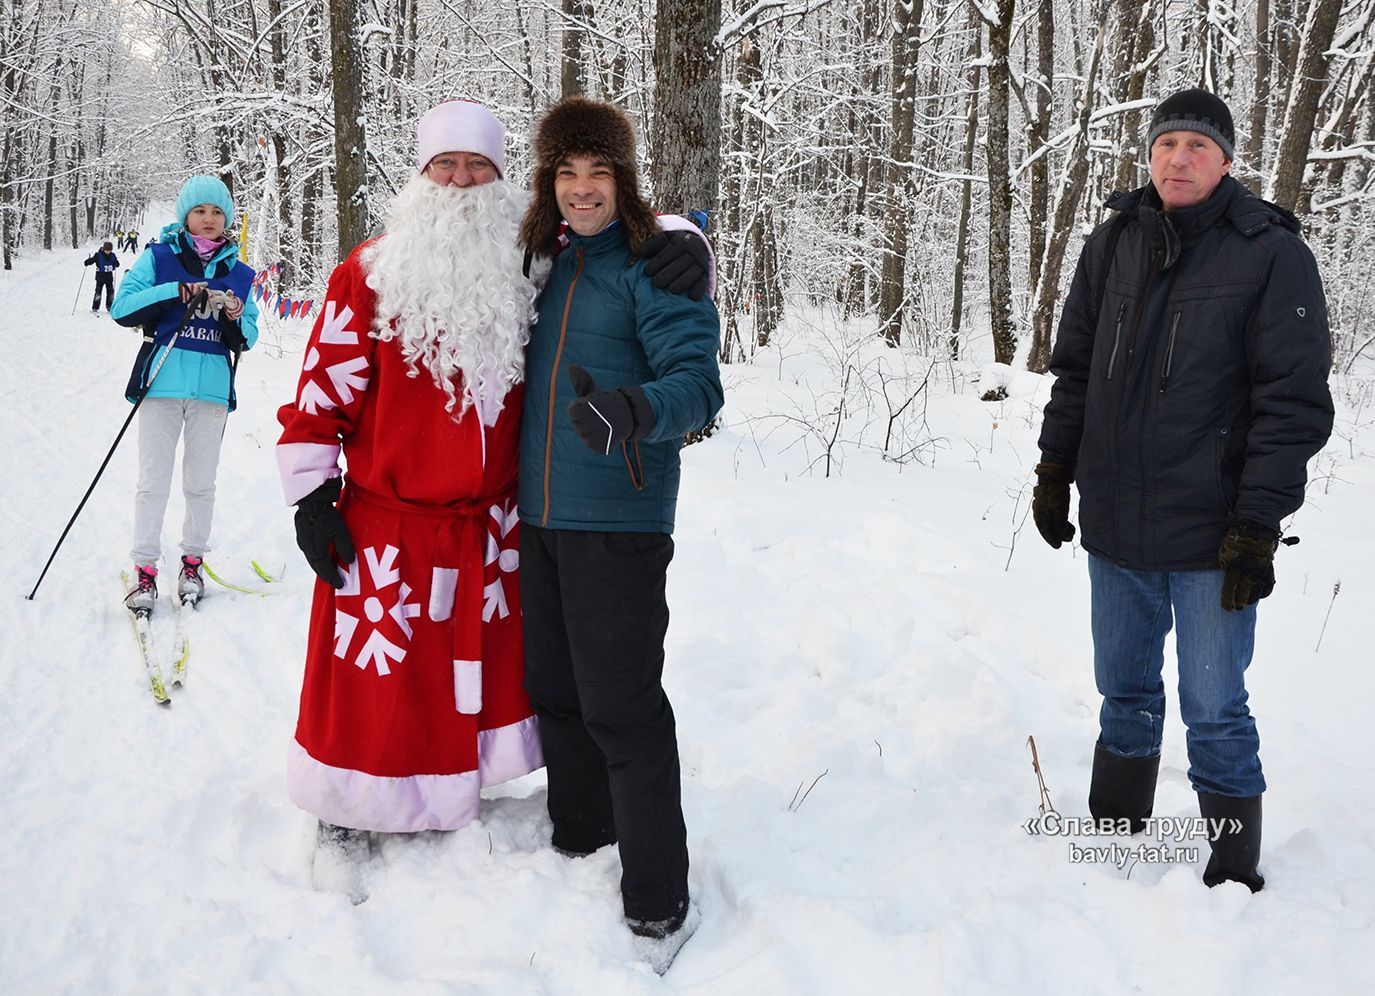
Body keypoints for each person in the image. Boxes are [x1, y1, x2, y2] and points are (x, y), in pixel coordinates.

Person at [273, 100, 713, 900]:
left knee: (478, 674)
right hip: (388, 519)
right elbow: (325, 382)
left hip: (497, 524)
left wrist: (691, 239)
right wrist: (312, 494)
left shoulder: (533, 261)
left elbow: (619, 232)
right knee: (376, 676)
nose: (461, 178)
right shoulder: (368, 271)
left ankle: (460, 794)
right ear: (419, 174)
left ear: (506, 178)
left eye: (478, 165)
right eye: (445, 163)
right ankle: (345, 809)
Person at [1033, 88, 1334, 892]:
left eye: (1197, 146)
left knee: (1213, 707)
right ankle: (1112, 841)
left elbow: (1292, 401)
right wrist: (1054, 470)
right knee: (1122, 690)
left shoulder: (1269, 253)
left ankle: (1231, 874)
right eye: (1166, 144)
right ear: (1149, 154)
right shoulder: (1113, 242)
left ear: (1227, 161)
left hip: (1211, 535)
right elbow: (1074, 372)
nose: (1178, 159)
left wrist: (1256, 525)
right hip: (1115, 520)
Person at [516, 96, 723, 972]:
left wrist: (638, 409)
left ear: (624, 181)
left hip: (620, 520)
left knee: (622, 706)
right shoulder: (545, 266)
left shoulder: (654, 267)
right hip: (541, 517)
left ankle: (656, 894)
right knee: (556, 689)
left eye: (598, 171)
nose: (582, 188)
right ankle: (579, 833)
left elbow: (699, 386)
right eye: (566, 172)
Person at [111, 176, 259, 609]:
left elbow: (248, 335)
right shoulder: (158, 256)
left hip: (211, 391)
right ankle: (145, 571)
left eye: (217, 212)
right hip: (161, 384)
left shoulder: (239, 272)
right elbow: (122, 307)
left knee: (200, 484)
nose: (209, 219)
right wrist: (175, 292)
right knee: (152, 483)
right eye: (200, 211)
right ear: (186, 216)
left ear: (226, 218)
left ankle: (192, 563)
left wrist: (233, 313)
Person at [84, 241, 120, 313]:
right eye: (107, 250)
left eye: (109, 250)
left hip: (109, 277)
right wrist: (87, 261)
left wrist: (116, 263)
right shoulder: (98, 255)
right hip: (100, 277)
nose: (108, 252)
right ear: (104, 249)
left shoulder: (113, 255)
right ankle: (95, 307)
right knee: (98, 292)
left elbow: (117, 264)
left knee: (110, 293)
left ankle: (109, 306)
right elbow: (92, 261)